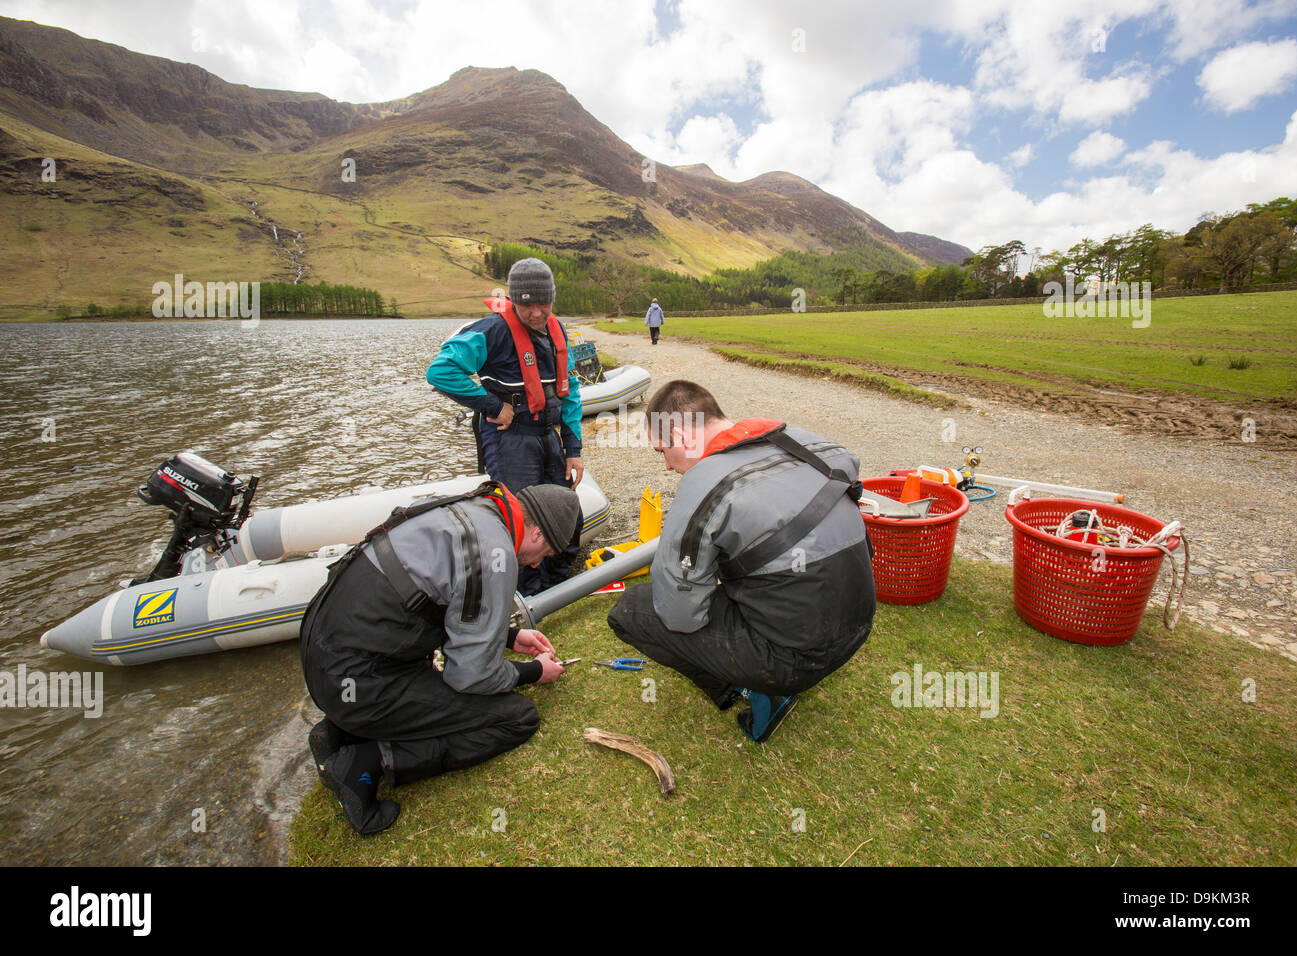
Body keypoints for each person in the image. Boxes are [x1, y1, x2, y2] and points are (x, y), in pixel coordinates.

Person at [300, 481, 580, 835]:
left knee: (412, 676)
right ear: (538, 534)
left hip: (323, 660)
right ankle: (366, 763)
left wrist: (508, 636)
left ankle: (338, 732)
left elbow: (442, 602)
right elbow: (472, 677)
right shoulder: (496, 553)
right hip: (359, 682)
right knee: (517, 718)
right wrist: (533, 672)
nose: (538, 563)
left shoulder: (473, 505)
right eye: (547, 555)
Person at [607, 381, 875, 743]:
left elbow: (678, 613)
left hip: (795, 660)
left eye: (662, 451)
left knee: (629, 611)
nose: (668, 466)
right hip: (858, 627)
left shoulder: (705, 482)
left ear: (682, 436)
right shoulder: (806, 441)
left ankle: (749, 689)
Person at [428, 258, 584, 596]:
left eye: (544, 303)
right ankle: (528, 596)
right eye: (527, 305)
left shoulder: (558, 330)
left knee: (564, 507)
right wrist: (492, 406)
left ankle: (561, 582)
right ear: (513, 300)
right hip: (509, 440)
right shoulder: (492, 331)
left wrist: (573, 450)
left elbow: (569, 393)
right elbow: (440, 372)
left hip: (548, 438)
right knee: (519, 519)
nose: (537, 313)